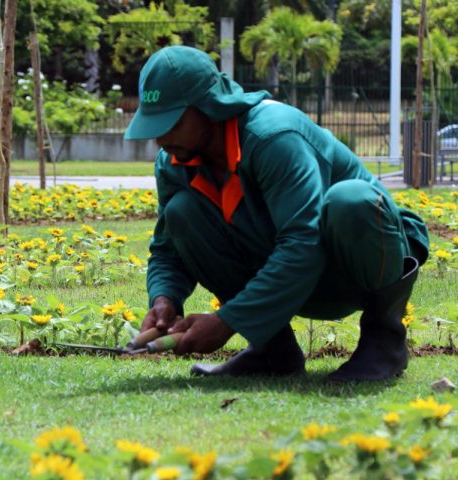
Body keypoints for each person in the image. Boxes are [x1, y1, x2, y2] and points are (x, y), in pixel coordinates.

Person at [124, 46, 429, 382]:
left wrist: (227, 322)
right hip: (291, 279)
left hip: (358, 267)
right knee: (181, 211)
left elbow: (303, 242)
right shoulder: (174, 162)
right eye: (155, 124)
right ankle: (272, 350)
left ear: (208, 107)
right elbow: (167, 249)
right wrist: (163, 300)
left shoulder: (274, 137)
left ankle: (384, 342)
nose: (160, 138)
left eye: (173, 122)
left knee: (351, 200)